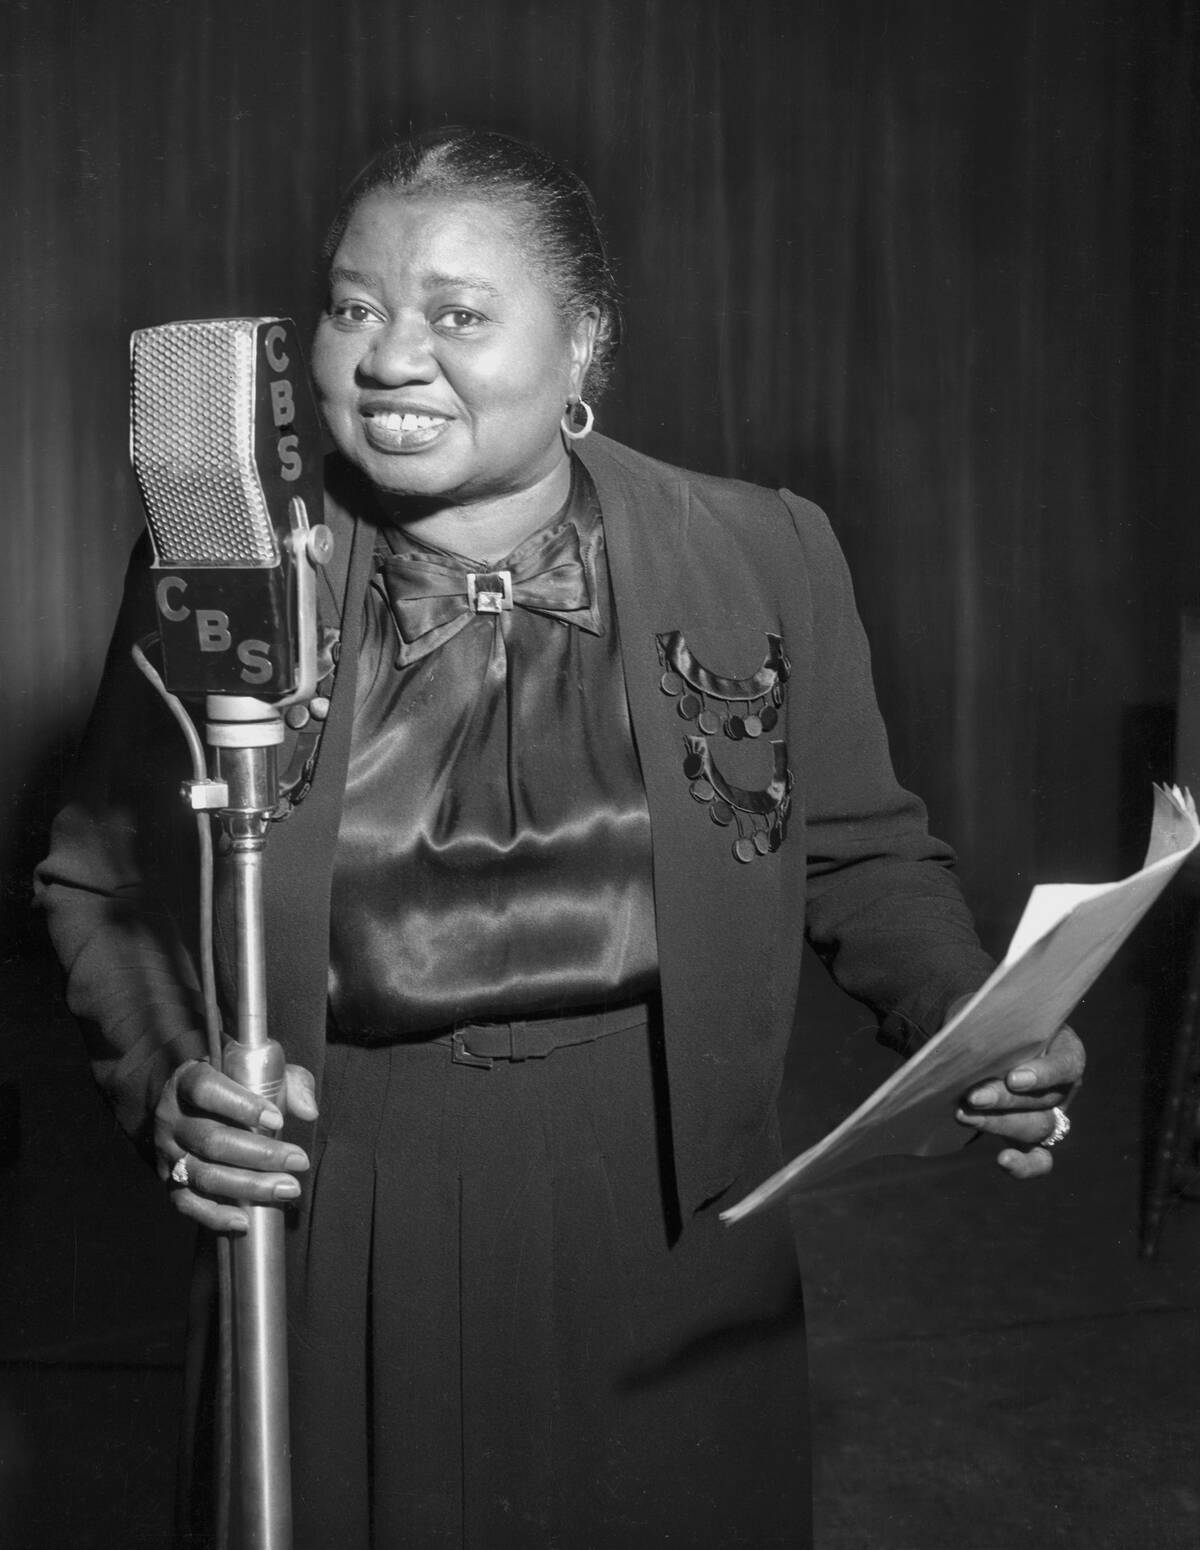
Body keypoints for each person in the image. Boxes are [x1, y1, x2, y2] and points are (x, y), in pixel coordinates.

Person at [36, 127, 1084, 1550]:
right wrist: (174, 1085)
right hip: (338, 1216)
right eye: (353, 308)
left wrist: (975, 1022)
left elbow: (860, 853)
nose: (389, 358)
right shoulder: (220, 563)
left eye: (458, 315)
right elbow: (101, 878)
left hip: (674, 1216)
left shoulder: (764, 552)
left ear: (585, 341)